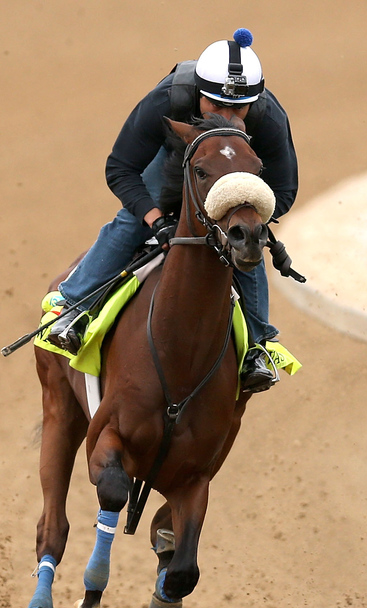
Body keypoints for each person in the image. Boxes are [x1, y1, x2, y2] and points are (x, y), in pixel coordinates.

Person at [45, 28, 299, 393]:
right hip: (174, 160)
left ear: (253, 102)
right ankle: (72, 307)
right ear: (198, 94)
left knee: (250, 241)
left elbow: (285, 191)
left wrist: (240, 213)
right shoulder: (167, 99)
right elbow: (120, 168)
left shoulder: (269, 117)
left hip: (235, 175)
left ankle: (257, 346)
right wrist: (156, 220)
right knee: (132, 223)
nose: (227, 116)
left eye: (238, 108)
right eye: (216, 105)